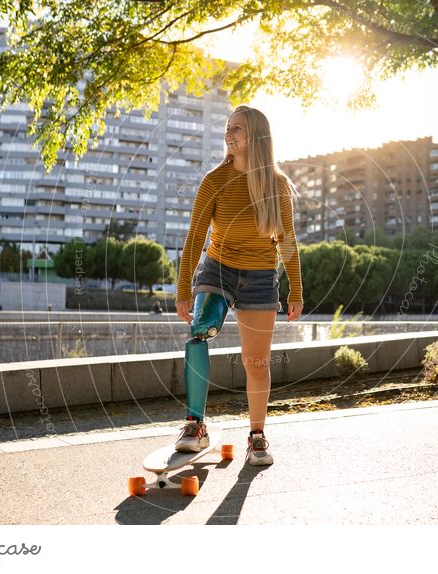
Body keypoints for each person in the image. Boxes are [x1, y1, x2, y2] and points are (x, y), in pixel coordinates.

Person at [174, 104, 304, 466]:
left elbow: (287, 241)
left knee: (256, 361)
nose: (229, 134)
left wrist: (296, 290)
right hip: (218, 269)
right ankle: (194, 427)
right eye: (228, 128)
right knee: (200, 333)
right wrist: (184, 289)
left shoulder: (276, 185)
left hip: (261, 275)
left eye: (237, 129)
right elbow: (194, 239)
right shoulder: (214, 181)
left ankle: (257, 437)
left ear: (256, 137)